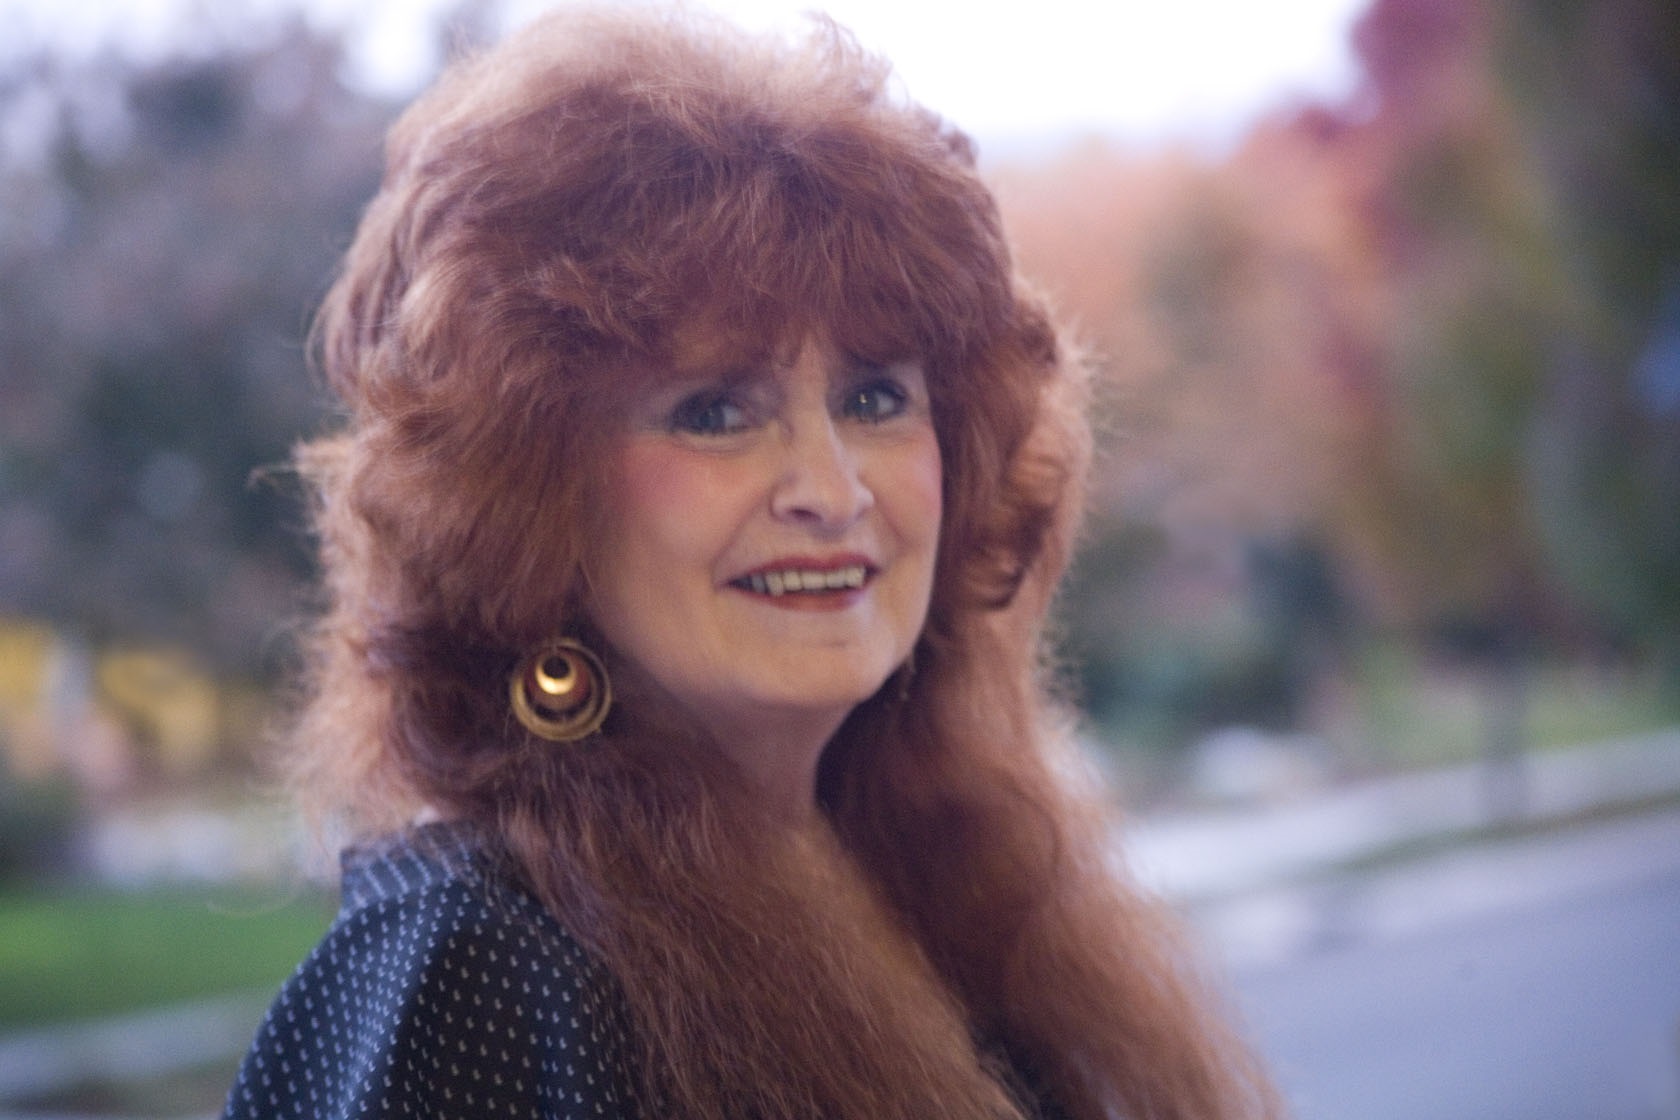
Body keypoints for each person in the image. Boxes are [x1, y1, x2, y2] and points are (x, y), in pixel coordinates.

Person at [222, 6, 1279, 1119]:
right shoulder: (474, 968)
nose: (832, 488)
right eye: (716, 411)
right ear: (527, 499)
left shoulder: (949, 880)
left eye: (875, 398)